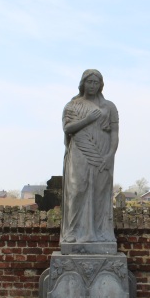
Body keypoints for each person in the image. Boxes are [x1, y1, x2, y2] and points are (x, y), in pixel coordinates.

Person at [60, 69, 119, 246]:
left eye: (96, 82)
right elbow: (68, 129)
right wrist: (88, 119)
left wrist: (110, 155)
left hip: (102, 153)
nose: (92, 85)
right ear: (83, 83)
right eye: (89, 82)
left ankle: (99, 232)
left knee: (99, 192)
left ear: (100, 85)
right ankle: (72, 232)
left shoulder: (109, 107)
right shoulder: (73, 105)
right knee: (77, 189)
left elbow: (115, 133)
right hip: (80, 150)